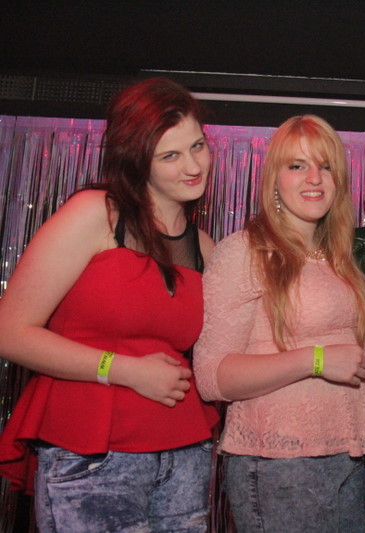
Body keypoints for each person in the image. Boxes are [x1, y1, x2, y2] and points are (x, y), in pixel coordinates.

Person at [0, 77, 219, 532]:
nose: (193, 165)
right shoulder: (95, 212)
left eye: (197, 146)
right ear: (137, 160)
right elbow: (10, 332)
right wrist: (124, 370)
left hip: (183, 454)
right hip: (92, 450)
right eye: (170, 155)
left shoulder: (204, 247)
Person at [193, 114, 365, 533]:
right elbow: (211, 377)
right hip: (280, 465)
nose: (314, 178)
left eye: (326, 166)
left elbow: (356, 351)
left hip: (348, 454)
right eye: (297, 165)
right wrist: (315, 360)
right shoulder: (244, 252)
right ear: (274, 180)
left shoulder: (337, 258)